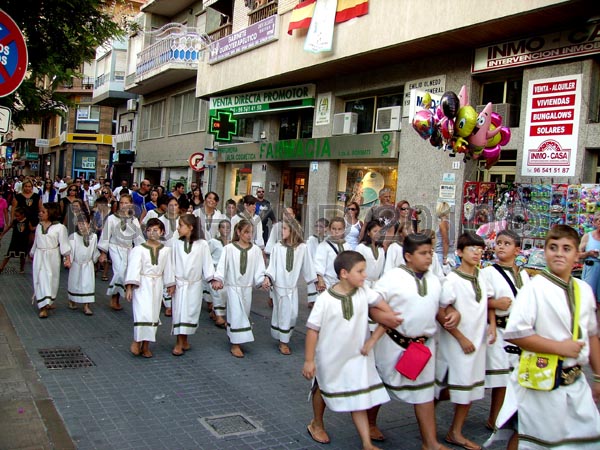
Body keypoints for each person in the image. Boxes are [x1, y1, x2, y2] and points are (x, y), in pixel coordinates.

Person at [491, 225, 600, 450]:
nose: (559, 253)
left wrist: (598, 376)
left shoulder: (584, 289)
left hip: (575, 383)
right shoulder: (535, 288)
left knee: (581, 441)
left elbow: (592, 335)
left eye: (566, 248)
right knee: (531, 440)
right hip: (541, 379)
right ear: (545, 252)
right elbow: (516, 333)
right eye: (553, 247)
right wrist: (560, 348)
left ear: (577, 255)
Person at [302, 250, 401, 450]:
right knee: (322, 388)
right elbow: (313, 330)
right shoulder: (325, 299)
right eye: (360, 271)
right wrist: (309, 360)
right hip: (329, 357)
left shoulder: (365, 291)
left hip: (357, 356)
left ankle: (366, 443)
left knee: (359, 396)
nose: (365, 275)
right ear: (344, 273)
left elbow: (389, 314)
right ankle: (317, 423)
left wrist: (373, 339)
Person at [364, 233, 455, 450]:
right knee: (380, 389)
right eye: (423, 253)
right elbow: (372, 303)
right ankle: (369, 424)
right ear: (408, 256)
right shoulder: (392, 278)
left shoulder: (435, 279)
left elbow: (444, 306)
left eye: (431, 252)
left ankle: (430, 442)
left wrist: (454, 314)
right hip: (392, 343)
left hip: (422, 348)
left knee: (424, 393)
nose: (429, 257)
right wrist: (380, 317)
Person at [435, 232, 494, 450]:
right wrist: (460, 338)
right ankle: (428, 425)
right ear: (459, 253)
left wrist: (492, 326)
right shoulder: (452, 280)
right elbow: (440, 311)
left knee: (467, 387)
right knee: (446, 386)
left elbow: (487, 303)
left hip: (477, 340)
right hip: (457, 344)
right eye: (472, 249)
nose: (478, 252)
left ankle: (455, 432)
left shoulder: (481, 275)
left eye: (480, 249)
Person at [480, 229, 530, 449]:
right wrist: (495, 305)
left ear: (517, 250)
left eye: (506, 243)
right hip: (498, 330)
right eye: (498, 243)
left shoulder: (524, 274)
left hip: (517, 334)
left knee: (512, 378)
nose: (500, 246)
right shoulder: (489, 272)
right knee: (500, 379)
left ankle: (504, 417)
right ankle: (494, 418)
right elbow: (479, 299)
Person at [211, 219, 266, 358]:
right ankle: (235, 345)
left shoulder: (255, 250)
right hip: (233, 287)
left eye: (251, 232)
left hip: (247, 288)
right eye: (246, 232)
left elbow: (259, 270)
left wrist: (262, 281)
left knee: (244, 314)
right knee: (236, 314)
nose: (249, 235)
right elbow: (222, 266)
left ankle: (234, 335)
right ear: (238, 232)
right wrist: (218, 279)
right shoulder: (229, 248)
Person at [263, 217, 316, 355]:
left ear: (293, 230)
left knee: (293, 314)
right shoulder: (277, 247)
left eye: (285, 228)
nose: (282, 231)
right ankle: (283, 342)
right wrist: (268, 277)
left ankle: (283, 336)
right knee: (283, 314)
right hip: (279, 287)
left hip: (292, 288)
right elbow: (272, 266)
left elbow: (308, 267)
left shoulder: (303, 248)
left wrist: (315, 282)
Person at [124, 218, 175, 358]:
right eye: (149, 230)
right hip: (142, 284)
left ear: (162, 232)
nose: (152, 233)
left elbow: (168, 268)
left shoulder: (166, 250)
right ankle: (137, 340)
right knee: (142, 313)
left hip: (157, 285)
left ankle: (146, 345)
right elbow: (133, 268)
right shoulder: (138, 249)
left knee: (153, 314)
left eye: (155, 230)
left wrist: (170, 285)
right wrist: (129, 287)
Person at [170, 214, 215, 356]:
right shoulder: (176, 243)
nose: (178, 228)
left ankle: (185, 339)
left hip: (194, 285)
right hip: (179, 284)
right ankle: (178, 342)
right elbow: (171, 264)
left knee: (189, 313)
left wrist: (213, 280)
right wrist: (170, 282)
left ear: (190, 228)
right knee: (179, 313)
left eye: (181, 225)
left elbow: (207, 265)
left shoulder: (202, 245)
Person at [98, 194, 145, 311]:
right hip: (115, 247)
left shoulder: (133, 220)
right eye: (121, 203)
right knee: (119, 271)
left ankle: (117, 296)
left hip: (128, 249)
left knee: (123, 274)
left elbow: (138, 238)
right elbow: (105, 235)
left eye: (126, 203)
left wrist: (143, 252)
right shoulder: (112, 218)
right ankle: (114, 297)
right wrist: (103, 253)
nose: (123, 205)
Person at [30, 203, 72, 318]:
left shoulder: (60, 228)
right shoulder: (39, 226)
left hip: (52, 256)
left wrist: (67, 258)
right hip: (39, 255)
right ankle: (42, 306)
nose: (40, 213)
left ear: (51, 213)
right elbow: (36, 241)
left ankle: (48, 300)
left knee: (51, 279)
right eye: (40, 211)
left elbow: (64, 244)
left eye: (43, 212)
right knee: (41, 278)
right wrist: (32, 252)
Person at [67, 211, 100, 316]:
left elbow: (94, 250)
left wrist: (98, 258)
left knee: (88, 284)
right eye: (79, 223)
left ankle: (86, 306)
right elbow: (70, 251)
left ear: (89, 224)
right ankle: (72, 300)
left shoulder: (93, 236)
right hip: (76, 264)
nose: (81, 226)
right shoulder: (73, 236)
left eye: (84, 223)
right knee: (74, 283)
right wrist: (68, 260)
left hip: (87, 264)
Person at [314, 217, 351, 292]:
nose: (336, 232)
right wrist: (320, 280)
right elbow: (319, 264)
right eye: (334, 229)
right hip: (328, 283)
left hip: (344, 283)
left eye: (339, 229)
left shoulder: (347, 246)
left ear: (344, 230)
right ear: (330, 229)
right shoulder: (323, 246)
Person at [207, 219, 231, 328]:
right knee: (217, 292)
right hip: (215, 271)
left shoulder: (232, 244)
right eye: (223, 227)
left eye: (228, 227)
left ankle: (214, 311)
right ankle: (220, 317)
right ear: (219, 229)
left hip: (227, 273)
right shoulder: (213, 242)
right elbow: (207, 256)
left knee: (225, 294)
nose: (225, 230)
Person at [0, 207, 33, 274]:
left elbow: (31, 229)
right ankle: (1, 268)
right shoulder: (15, 221)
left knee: (22, 256)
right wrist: (2, 234)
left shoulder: (27, 221)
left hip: (23, 241)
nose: (17, 217)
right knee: (8, 255)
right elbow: (8, 227)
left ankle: (22, 268)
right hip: (15, 240)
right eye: (15, 216)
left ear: (23, 215)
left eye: (18, 216)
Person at [355, 220, 384, 288]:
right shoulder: (361, 247)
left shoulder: (381, 249)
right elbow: (356, 266)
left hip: (376, 284)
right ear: (368, 232)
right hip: (363, 283)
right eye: (375, 231)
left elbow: (382, 268)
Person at [306, 218, 329, 307]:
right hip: (313, 267)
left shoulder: (328, 240)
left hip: (324, 269)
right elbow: (308, 254)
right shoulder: (311, 239)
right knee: (312, 289)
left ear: (326, 228)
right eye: (317, 226)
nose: (318, 228)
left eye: (321, 226)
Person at [579, 210, 600, 304]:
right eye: (599, 221)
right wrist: (588, 254)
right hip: (590, 270)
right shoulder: (587, 237)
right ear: (594, 223)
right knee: (588, 300)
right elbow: (577, 255)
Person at [435, 201, 456, 268]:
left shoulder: (443, 224)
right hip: (451, 253)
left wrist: (445, 257)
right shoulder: (451, 223)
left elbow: (445, 241)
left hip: (442, 254)